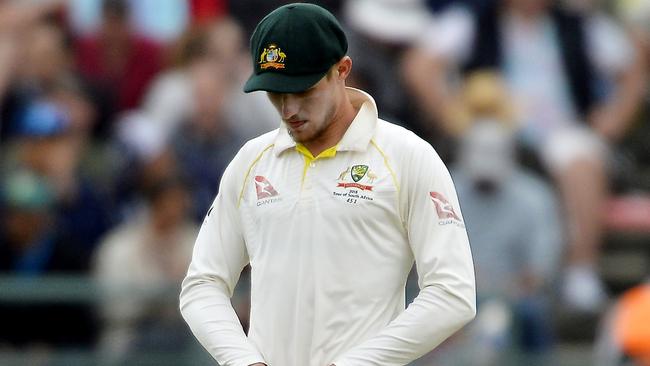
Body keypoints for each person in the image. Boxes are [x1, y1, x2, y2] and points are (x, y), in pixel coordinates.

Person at [179, 3, 476, 366]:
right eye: (275, 92)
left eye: (302, 90)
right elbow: (202, 285)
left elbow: (453, 293)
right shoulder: (250, 161)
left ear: (342, 70)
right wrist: (243, 361)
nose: (288, 109)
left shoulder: (407, 156)